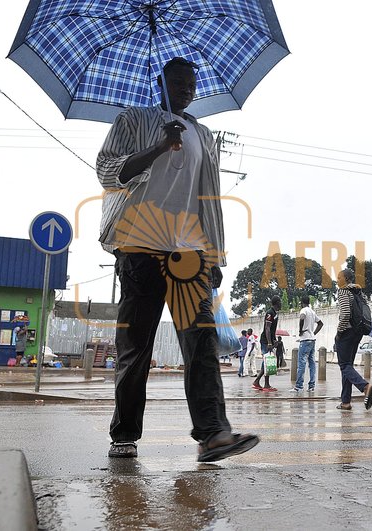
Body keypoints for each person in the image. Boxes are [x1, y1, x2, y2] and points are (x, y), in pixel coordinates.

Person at [97, 57, 258, 461]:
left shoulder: (204, 135)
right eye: (178, 82)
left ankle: (213, 435)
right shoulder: (132, 120)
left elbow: (210, 201)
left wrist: (214, 254)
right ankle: (125, 433)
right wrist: (157, 147)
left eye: (192, 83)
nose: (187, 89)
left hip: (188, 254)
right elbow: (106, 171)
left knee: (201, 343)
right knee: (135, 349)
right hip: (138, 248)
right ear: (161, 83)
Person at [334, 269, 372, 410]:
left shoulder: (343, 292)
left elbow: (345, 314)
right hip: (358, 332)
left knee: (344, 365)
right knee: (348, 366)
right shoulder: (358, 292)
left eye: (339, 277)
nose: (337, 280)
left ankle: (365, 387)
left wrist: (339, 332)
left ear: (346, 279)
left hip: (347, 332)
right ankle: (346, 401)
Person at [293, 294, 323, 393]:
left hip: (305, 340)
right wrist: (313, 333)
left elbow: (302, 318)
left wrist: (300, 330)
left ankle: (299, 386)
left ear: (302, 303)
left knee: (301, 363)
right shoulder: (312, 312)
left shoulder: (304, 310)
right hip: (312, 340)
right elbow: (320, 323)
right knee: (312, 363)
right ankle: (311, 386)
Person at [253, 296, 280, 392]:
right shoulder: (270, 313)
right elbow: (267, 328)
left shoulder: (275, 313)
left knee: (266, 362)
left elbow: (272, 330)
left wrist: (274, 340)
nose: (281, 304)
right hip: (265, 341)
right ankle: (266, 385)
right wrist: (269, 342)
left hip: (269, 340)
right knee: (267, 362)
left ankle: (256, 381)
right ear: (277, 303)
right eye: (280, 302)